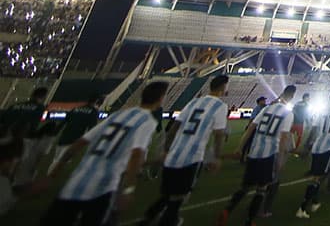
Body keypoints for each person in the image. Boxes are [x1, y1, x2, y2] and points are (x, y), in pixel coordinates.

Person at [39, 81, 167, 226]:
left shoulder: (118, 115)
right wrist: (128, 189)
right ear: (160, 98)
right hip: (103, 187)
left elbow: (79, 143)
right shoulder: (147, 121)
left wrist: (51, 176)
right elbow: (136, 155)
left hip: (77, 182)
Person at [141, 74, 229, 226]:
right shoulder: (220, 106)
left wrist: (166, 150)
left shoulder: (193, 102)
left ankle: (148, 218)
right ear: (223, 86)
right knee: (180, 196)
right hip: (192, 158)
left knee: (168, 194)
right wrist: (216, 157)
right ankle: (168, 221)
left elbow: (174, 128)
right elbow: (219, 134)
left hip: (173, 154)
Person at [219, 85, 295, 226]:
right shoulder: (288, 114)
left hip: (254, 152)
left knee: (245, 186)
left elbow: (250, 129)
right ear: (292, 97)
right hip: (268, 154)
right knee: (261, 188)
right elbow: (284, 138)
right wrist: (280, 160)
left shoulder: (266, 109)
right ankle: (249, 221)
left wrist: (240, 147)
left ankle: (227, 210)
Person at [296, 90, 330, 218]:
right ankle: (302, 208)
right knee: (317, 178)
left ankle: (315, 202)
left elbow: (313, 130)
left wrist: (307, 146)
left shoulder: (322, 111)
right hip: (327, 148)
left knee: (317, 175)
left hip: (317, 147)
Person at [3, 86, 49, 188]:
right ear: (43, 97)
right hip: (25, 137)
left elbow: (3, 119)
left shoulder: (15, 105)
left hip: (7, 136)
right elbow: (36, 125)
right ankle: (10, 182)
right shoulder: (40, 108)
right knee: (18, 160)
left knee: (6, 159)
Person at [49, 95, 104, 171]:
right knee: (62, 163)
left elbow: (63, 122)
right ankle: (50, 175)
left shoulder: (76, 109)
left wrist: (55, 132)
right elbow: (91, 128)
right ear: (96, 102)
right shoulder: (93, 112)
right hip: (74, 140)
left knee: (56, 159)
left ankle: (50, 173)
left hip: (63, 137)